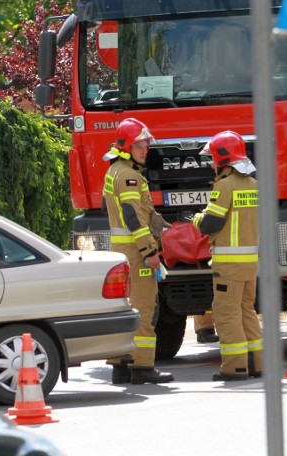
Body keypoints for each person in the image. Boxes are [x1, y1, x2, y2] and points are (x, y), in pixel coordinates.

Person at [103, 118, 174, 385]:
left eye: (146, 144)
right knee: (144, 307)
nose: (146, 149)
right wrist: (149, 251)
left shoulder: (115, 171)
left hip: (120, 250)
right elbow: (133, 217)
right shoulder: (130, 176)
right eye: (140, 145)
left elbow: (112, 210)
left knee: (124, 307)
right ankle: (143, 366)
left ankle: (120, 366)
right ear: (126, 146)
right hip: (135, 250)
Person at [193, 131, 263, 381]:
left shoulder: (224, 185)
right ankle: (256, 363)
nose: (211, 164)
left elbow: (211, 223)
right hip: (249, 264)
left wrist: (196, 219)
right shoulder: (253, 185)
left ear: (223, 158)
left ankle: (234, 366)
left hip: (229, 265)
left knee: (226, 313)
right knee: (247, 311)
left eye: (212, 158)